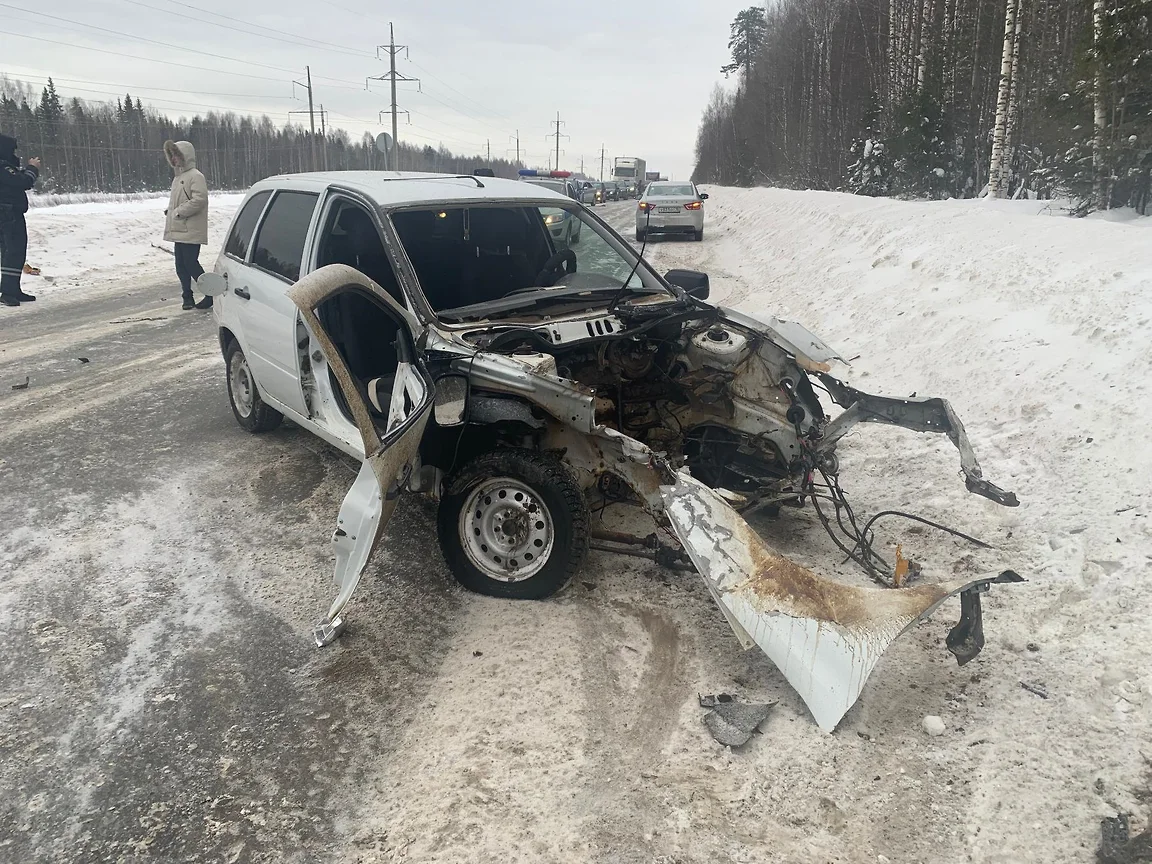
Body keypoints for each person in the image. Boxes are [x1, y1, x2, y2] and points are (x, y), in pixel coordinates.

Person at [162, 139, 210, 310]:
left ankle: (210, 293)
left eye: (176, 155)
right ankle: (187, 297)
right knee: (181, 265)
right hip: (179, 228)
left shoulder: (196, 176)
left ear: (185, 156)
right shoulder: (178, 178)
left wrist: (179, 211)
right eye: (172, 156)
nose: (173, 159)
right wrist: (171, 212)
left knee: (191, 263)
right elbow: (179, 201)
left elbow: (200, 200)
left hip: (191, 229)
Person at [0, 134, 40, 308]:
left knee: (11, 251)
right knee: (14, 251)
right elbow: (22, 181)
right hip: (8, 213)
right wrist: (32, 168)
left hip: (7, 212)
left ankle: (12, 289)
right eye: (12, 150)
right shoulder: (3, 166)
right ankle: (8, 292)